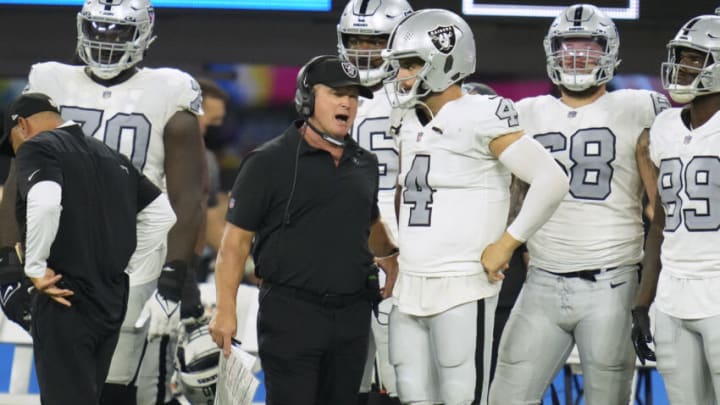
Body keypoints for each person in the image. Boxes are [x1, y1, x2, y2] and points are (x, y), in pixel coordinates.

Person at [11, 0, 207, 403]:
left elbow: (188, 195)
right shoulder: (50, 79)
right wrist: (6, 261)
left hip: (129, 256)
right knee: (71, 385)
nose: (105, 41)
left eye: (117, 31)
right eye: (97, 29)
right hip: (63, 257)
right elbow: (20, 177)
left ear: (143, 35)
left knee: (120, 387)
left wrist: (172, 274)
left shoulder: (169, 89)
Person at [382, 9, 568, 405]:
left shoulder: (482, 112)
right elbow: (406, 191)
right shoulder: (407, 119)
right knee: (411, 394)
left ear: (446, 61)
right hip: (411, 283)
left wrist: (506, 244)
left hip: (461, 284)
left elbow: (551, 179)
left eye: (411, 64)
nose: (401, 75)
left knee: (462, 395)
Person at [489, 4, 669, 405]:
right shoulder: (525, 113)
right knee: (503, 397)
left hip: (614, 281)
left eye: (588, 47)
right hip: (542, 281)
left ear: (608, 52)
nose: (576, 56)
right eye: (568, 46)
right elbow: (512, 195)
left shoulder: (642, 106)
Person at [209, 55, 399, 405]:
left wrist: (389, 254)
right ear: (307, 98)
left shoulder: (365, 163)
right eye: (337, 93)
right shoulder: (267, 162)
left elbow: (369, 220)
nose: (347, 103)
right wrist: (225, 309)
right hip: (290, 314)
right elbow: (235, 243)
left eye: (354, 97)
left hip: (352, 315)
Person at [0, 92, 175, 404]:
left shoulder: (38, 147)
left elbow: (45, 203)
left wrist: (36, 269)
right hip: (110, 299)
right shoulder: (112, 157)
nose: (16, 154)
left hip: (64, 297)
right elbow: (162, 214)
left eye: (12, 145)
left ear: (21, 125)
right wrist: (122, 264)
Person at [632, 12, 720, 404]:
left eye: (696, 58)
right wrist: (642, 301)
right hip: (671, 296)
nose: (683, 67)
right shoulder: (664, 127)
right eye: (682, 56)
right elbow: (660, 223)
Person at [336, 0, 412, 402]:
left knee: (400, 375)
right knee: (345, 370)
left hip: (401, 240)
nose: (364, 50)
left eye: (376, 39)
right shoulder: (328, 93)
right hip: (342, 238)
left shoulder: (419, 96)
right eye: (356, 40)